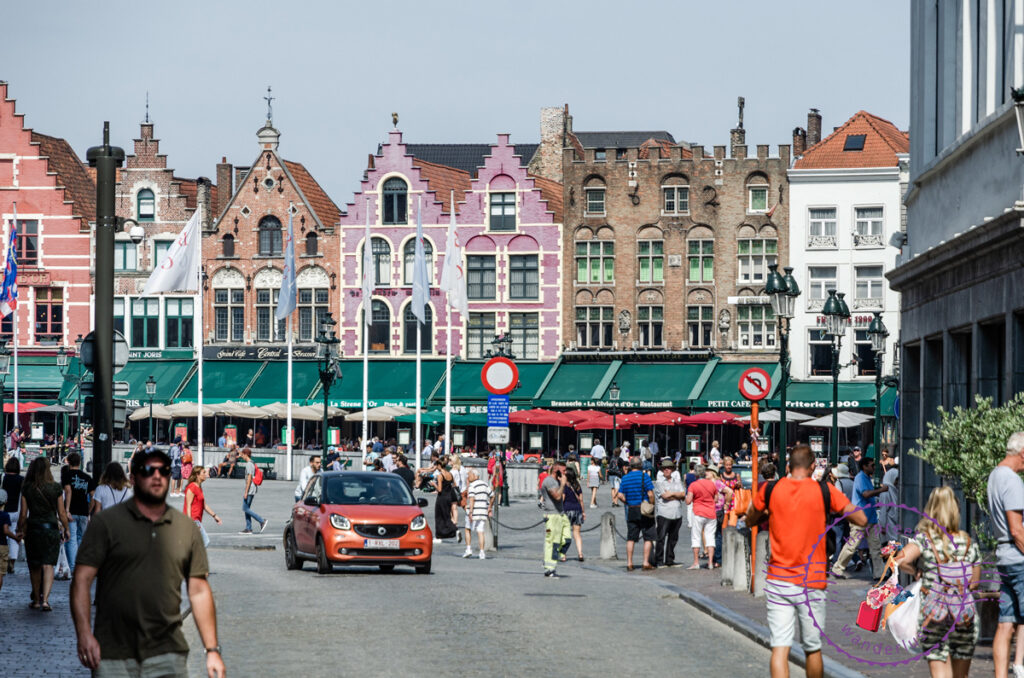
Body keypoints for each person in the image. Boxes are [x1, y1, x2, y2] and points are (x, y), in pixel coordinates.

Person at [71, 448, 226, 678]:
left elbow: (199, 591)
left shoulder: (185, 529)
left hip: (166, 653)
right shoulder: (106, 524)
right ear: (133, 478)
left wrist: (212, 650)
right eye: (148, 470)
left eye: (163, 471)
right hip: (113, 653)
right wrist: (84, 634)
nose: (156, 476)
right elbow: (81, 580)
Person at [894, 485, 980, 678]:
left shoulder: (924, 540)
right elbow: (975, 583)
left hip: (934, 614)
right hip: (963, 615)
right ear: (955, 510)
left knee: (939, 671)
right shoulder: (968, 543)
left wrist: (917, 571)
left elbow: (899, 560)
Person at [988, 432, 1024, 678]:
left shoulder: (995, 475)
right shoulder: (1012, 480)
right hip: (1018, 557)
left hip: (1003, 557)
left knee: (1006, 622)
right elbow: (1017, 529)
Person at [16, 456, 70, 611]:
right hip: (51, 529)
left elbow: (23, 514)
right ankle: (45, 600)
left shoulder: (27, 488)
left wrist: (20, 530)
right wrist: (66, 529)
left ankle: (36, 601)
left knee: (34, 565)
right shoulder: (55, 487)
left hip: (33, 530)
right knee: (48, 565)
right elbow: (61, 512)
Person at [831, 457, 884, 579]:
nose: (874, 467)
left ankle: (879, 573)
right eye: (871, 465)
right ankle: (837, 568)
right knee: (852, 546)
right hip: (860, 518)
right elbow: (865, 494)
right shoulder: (860, 478)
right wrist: (881, 490)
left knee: (875, 548)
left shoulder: (865, 478)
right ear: (864, 466)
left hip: (870, 518)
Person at [686, 464, 729, 569]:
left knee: (696, 537)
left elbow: (688, 501)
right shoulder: (712, 485)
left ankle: (696, 562)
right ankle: (710, 562)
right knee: (710, 537)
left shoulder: (693, 485)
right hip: (711, 513)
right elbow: (715, 499)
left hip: (698, 512)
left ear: (696, 474)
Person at [616, 456, 656, 571]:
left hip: (632, 509)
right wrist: (651, 505)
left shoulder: (625, 478)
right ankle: (645, 562)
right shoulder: (645, 477)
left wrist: (627, 502)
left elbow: (619, 495)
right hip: (644, 509)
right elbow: (650, 494)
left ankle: (629, 562)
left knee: (631, 537)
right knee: (648, 537)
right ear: (641, 466)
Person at [60, 451, 95, 574]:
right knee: (81, 539)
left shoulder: (67, 475)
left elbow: (68, 491)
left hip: (72, 511)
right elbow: (93, 496)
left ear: (68, 462)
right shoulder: (87, 477)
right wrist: (89, 511)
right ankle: (81, 565)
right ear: (80, 463)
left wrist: (67, 510)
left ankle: (74, 567)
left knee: (71, 538)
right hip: (84, 512)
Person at [540, 460, 570, 578]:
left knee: (567, 539)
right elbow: (557, 497)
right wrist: (562, 484)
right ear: (556, 470)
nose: (565, 473)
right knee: (552, 542)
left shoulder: (557, 481)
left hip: (561, 514)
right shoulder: (549, 481)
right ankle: (550, 567)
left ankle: (554, 557)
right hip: (552, 515)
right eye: (563, 471)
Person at [653, 458, 685, 567]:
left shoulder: (677, 481)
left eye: (669, 468)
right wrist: (676, 495)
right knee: (661, 538)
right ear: (662, 470)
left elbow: (683, 495)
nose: (667, 470)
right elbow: (665, 496)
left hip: (677, 514)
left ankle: (670, 560)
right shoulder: (659, 482)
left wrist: (672, 494)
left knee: (673, 538)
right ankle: (659, 560)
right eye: (664, 468)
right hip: (664, 513)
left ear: (672, 469)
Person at [184, 466, 222, 547]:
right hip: (193, 520)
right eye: (203, 473)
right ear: (197, 475)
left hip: (196, 520)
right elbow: (188, 505)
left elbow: (204, 505)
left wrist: (214, 516)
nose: (206, 474)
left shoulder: (199, 487)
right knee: (205, 542)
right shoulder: (192, 487)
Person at [463, 469, 492, 560]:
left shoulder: (472, 486)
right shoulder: (485, 484)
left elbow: (472, 499)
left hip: (474, 511)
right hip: (483, 511)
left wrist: (471, 512)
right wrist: (489, 506)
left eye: (470, 475)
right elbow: (492, 495)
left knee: (468, 529)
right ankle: (482, 552)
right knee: (480, 531)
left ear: (475, 476)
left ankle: (468, 549)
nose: (468, 476)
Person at [2, 456, 24, 573]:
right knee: (14, 536)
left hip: (4, 511)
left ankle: (4, 560)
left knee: (4, 536)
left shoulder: (3, 478)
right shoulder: (21, 479)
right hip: (17, 511)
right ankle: (13, 562)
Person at [239, 447, 268, 535]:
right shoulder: (251, 463)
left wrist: (245, 492)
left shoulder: (249, 464)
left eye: (242, 455)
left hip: (250, 489)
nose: (242, 457)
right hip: (252, 488)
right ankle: (248, 528)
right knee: (246, 508)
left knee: (245, 508)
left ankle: (261, 520)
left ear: (246, 454)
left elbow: (249, 478)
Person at [562, 467, 586, 561]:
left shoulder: (564, 486)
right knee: (577, 533)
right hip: (577, 510)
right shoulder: (578, 485)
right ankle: (580, 553)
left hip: (567, 510)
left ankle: (563, 554)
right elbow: (581, 500)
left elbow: (562, 499)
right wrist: (583, 512)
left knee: (565, 533)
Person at [431, 456, 457, 541]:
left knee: (439, 516)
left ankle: (440, 534)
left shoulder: (440, 475)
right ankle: (447, 533)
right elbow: (454, 485)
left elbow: (439, 489)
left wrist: (433, 484)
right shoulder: (450, 474)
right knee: (447, 515)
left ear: (439, 465)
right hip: (449, 497)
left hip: (441, 498)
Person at [0, 488, 21, 591]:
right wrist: (15, 538)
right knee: (0, 573)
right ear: (5, 502)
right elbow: (6, 530)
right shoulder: (5, 515)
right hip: (2, 546)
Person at [878, 451, 900, 541]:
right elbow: (883, 510)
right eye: (896, 479)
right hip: (888, 527)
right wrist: (882, 526)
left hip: (893, 526)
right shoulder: (885, 492)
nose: (897, 482)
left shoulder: (894, 490)